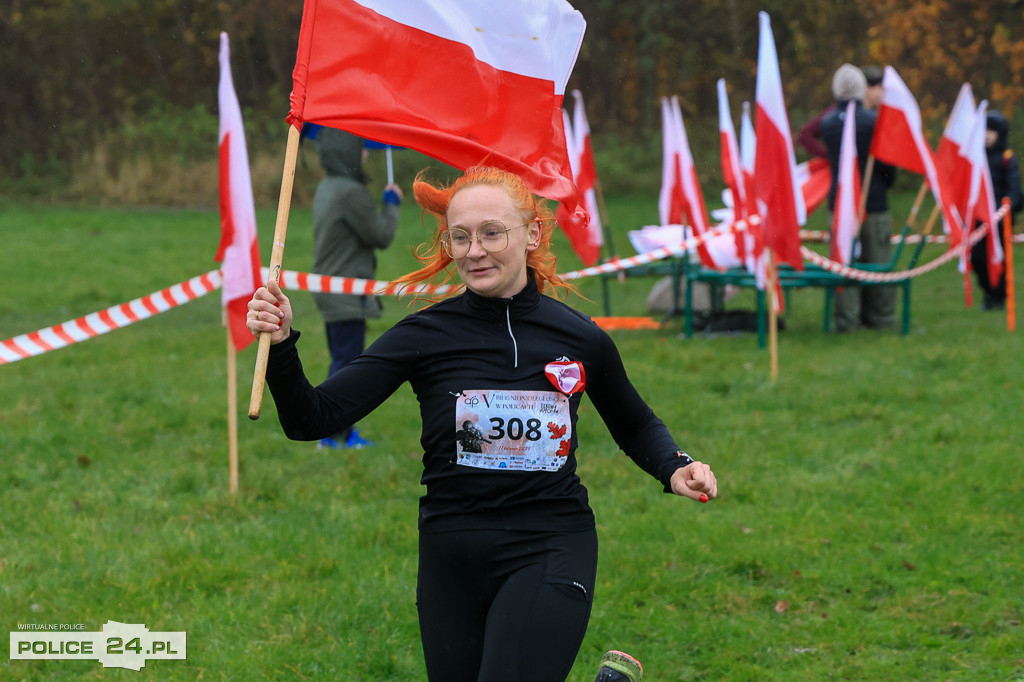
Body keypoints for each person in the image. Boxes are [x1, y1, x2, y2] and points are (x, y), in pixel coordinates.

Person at [246, 166, 718, 682]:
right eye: (460, 236)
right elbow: (312, 419)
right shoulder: (424, 335)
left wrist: (675, 466)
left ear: (532, 233)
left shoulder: (580, 337)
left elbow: (635, 422)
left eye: (492, 233)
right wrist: (282, 344)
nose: (474, 251)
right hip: (451, 551)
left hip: (551, 540)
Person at [310, 127, 403, 448]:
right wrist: (391, 203)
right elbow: (381, 235)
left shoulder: (328, 186)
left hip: (329, 286)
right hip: (344, 291)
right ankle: (333, 434)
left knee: (342, 359)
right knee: (347, 366)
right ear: (345, 150)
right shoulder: (351, 192)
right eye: (359, 146)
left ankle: (337, 431)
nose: (364, 153)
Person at [821, 63, 898, 332]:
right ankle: (881, 317)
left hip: (840, 205)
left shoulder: (828, 123)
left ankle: (847, 319)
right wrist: (886, 183)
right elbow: (887, 163)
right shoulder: (872, 121)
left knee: (844, 261)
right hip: (873, 201)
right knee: (878, 261)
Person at [970, 108, 1024, 310]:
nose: (987, 135)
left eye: (991, 131)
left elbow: (1014, 189)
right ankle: (988, 292)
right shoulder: (975, 158)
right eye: (984, 130)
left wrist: (1005, 210)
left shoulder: (1006, 158)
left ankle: (999, 296)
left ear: (999, 134)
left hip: (1001, 221)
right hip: (979, 219)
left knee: (998, 259)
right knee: (977, 257)